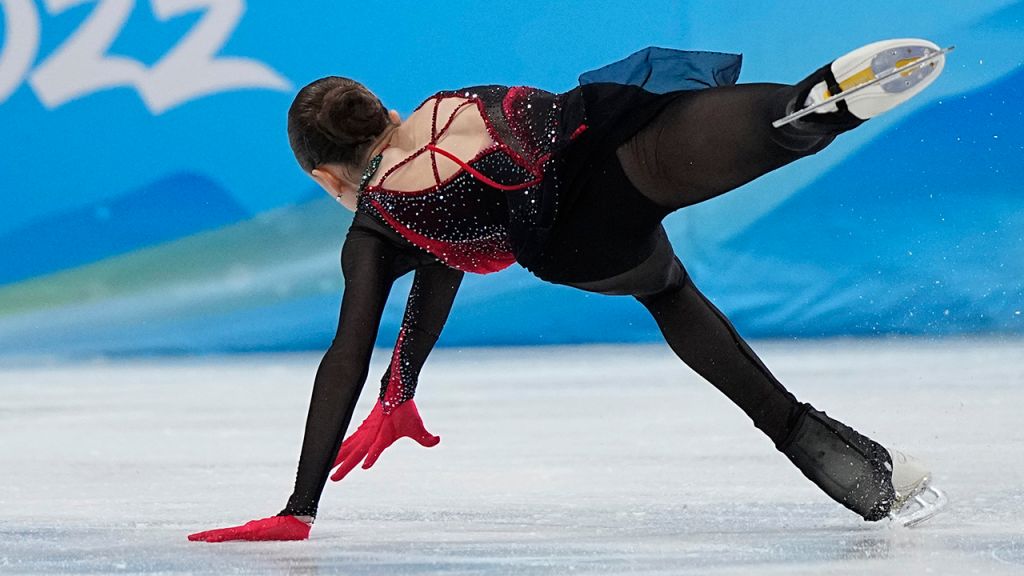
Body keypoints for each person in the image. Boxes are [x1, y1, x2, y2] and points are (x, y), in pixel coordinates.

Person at [188, 38, 949, 542]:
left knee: (670, 292)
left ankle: (838, 462)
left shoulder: (382, 222)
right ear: (384, 111)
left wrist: (301, 504)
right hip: (607, 134)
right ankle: (815, 107)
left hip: (580, 239)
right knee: (767, 123)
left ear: (324, 176)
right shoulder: (446, 105)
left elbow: (350, 346)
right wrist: (401, 388)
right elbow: (439, 269)